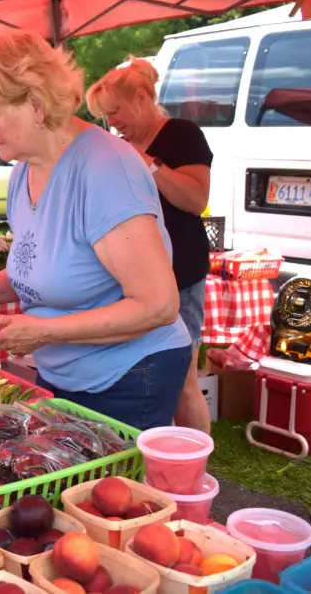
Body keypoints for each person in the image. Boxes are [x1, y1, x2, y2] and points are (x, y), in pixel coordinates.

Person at [0, 31, 192, 430]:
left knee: (105, 491)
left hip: (128, 376)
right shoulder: (23, 171)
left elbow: (158, 305)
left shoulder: (105, 170)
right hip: (63, 371)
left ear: (35, 104)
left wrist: (44, 331)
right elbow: (41, 267)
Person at [86, 58, 214, 434]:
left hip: (180, 277)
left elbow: (195, 200)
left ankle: (194, 468)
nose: (112, 123)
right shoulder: (119, 145)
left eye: (115, 111)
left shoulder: (182, 134)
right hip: (135, 280)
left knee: (184, 381)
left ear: (142, 97)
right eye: (105, 116)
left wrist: (148, 164)